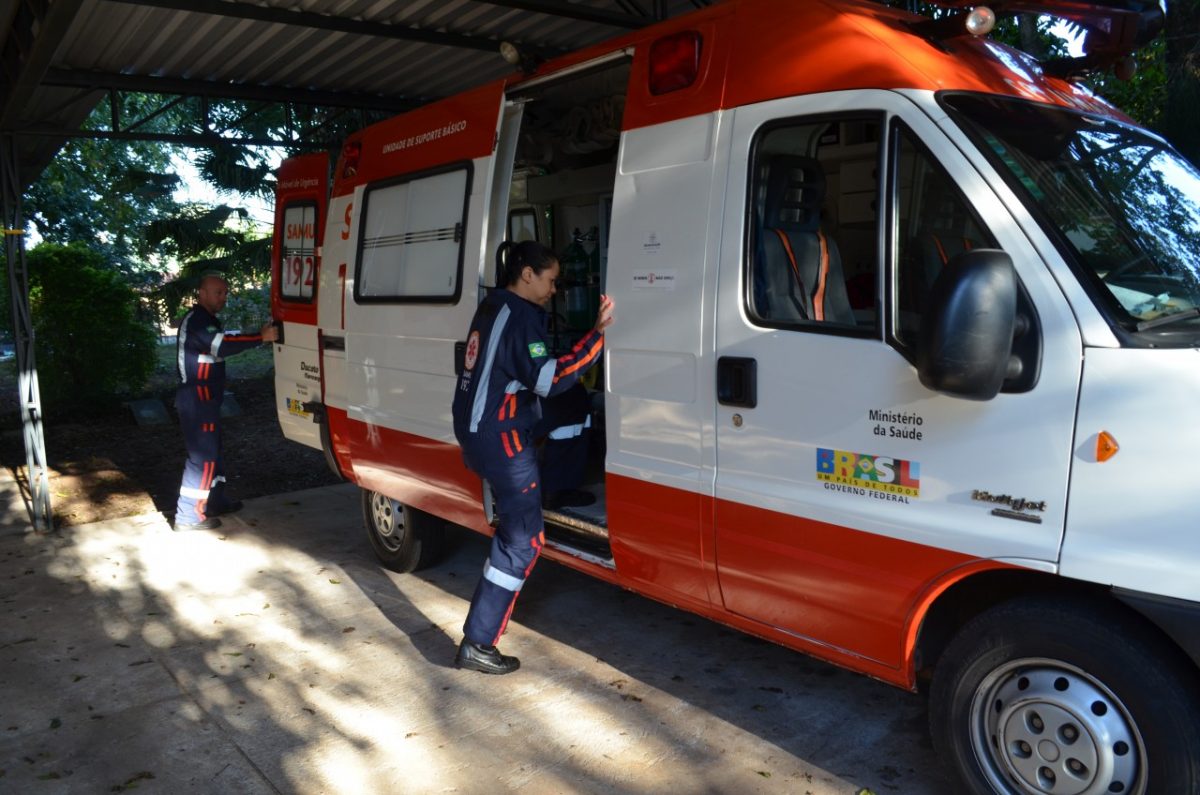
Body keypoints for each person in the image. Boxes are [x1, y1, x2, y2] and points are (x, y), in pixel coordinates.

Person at [451, 241, 615, 674]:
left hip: (478, 426)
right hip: (500, 437)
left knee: (574, 406)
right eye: (550, 279)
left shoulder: (496, 305)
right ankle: (479, 642)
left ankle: (558, 489)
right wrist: (597, 337)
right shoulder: (521, 317)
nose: (555, 289)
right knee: (524, 540)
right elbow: (549, 378)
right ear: (527, 274)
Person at [173, 271, 279, 531]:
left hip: (206, 400)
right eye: (218, 292)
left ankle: (215, 501)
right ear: (202, 293)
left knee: (214, 454)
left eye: (225, 293)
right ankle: (187, 517)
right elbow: (221, 346)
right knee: (203, 458)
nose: (223, 298)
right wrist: (260, 337)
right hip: (197, 400)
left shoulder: (207, 319)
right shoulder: (199, 320)